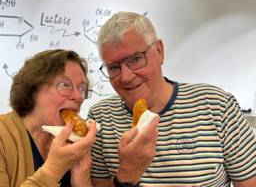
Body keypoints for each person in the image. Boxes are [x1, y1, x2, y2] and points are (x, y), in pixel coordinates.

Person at [88, 11, 256, 187]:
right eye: (113, 67)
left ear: (159, 51)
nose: (126, 77)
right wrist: (127, 174)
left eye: (136, 59)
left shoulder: (218, 106)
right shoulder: (100, 118)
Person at [0, 49, 97, 187]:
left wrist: (81, 175)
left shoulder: (73, 143)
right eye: (64, 85)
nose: (79, 96)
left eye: (82, 88)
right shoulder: (3, 137)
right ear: (32, 90)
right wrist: (53, 170)